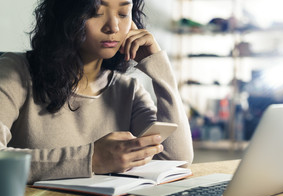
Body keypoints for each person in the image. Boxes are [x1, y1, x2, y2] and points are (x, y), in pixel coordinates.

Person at [0, 0, 193, 184]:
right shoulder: (15, 71)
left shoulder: (128, 90)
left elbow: (177, 160)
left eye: (123, 14)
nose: (113, 27)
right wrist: (91, 159)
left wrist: (160, 69)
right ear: (66, 16)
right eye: (96, 13)